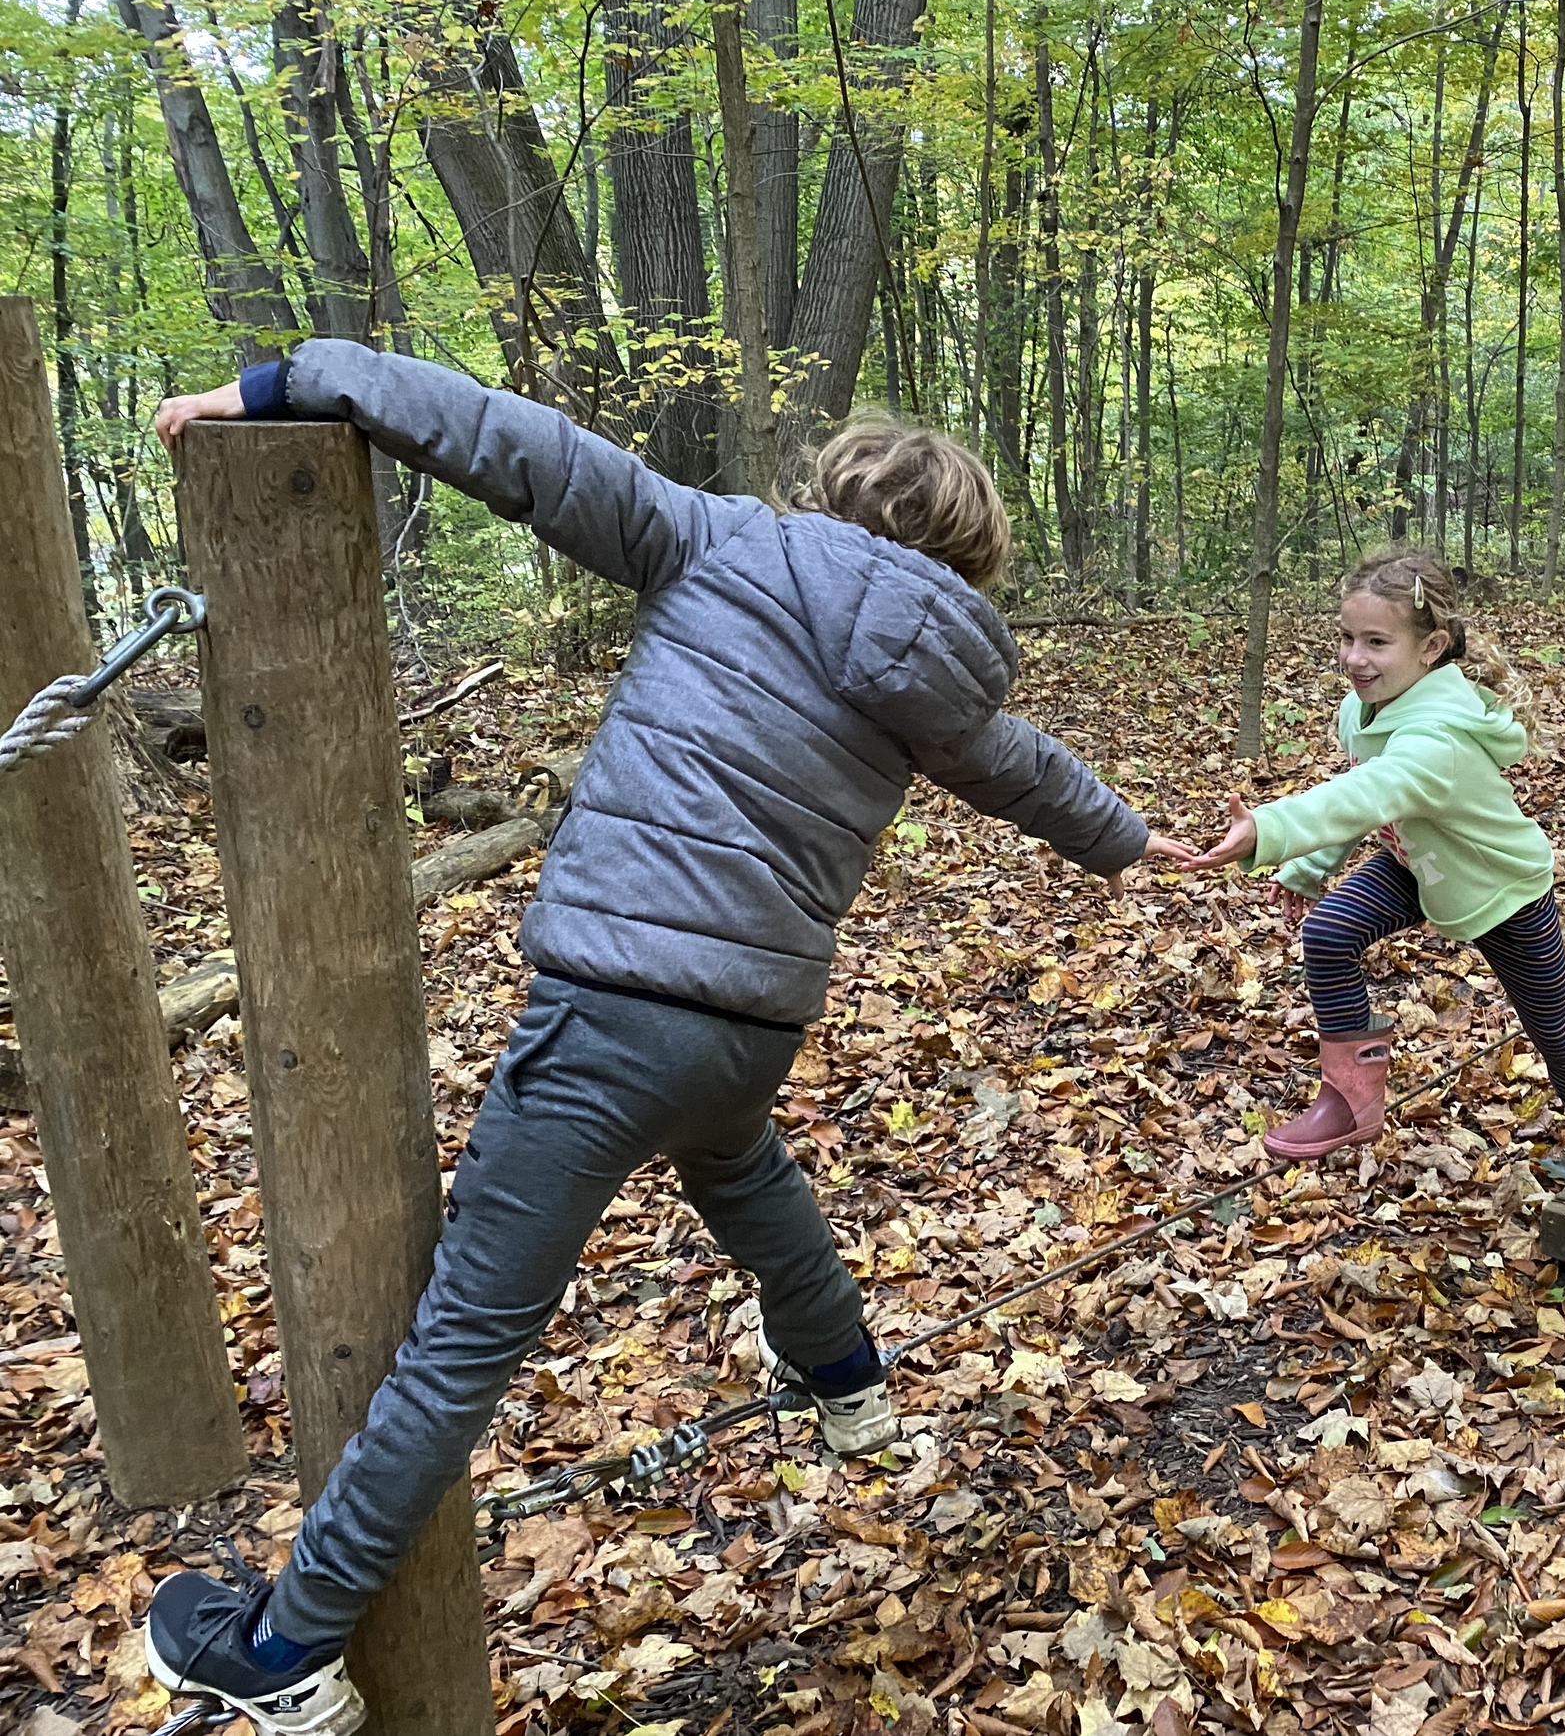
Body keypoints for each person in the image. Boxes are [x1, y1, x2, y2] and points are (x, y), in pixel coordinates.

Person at [144, 343, 1194, 1735]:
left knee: (466, 1331)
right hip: (746, 1026)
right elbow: (1029, 768)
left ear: (831, 487)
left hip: (608, 1006)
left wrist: (292, 381)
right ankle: (845, 1375)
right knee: (738, 1159)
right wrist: (1130, 838)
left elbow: (505, 440)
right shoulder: (947, 679)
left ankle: (288, 1636)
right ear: (969, 555)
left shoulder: (716, 540)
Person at [1179, 546, 1565, 1232]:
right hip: (1414, 862)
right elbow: (1362, 800)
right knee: (1329, 931)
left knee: (1552, 1028)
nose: (1355, 657)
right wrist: (1309, 870)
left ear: (1431, 646)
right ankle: (1351, 1098)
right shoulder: (1361, 710)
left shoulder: (1438, 738)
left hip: (1501, 888)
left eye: (1377, 641)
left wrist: (1268, 829)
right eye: (1346, 638)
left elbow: (1375, 788)